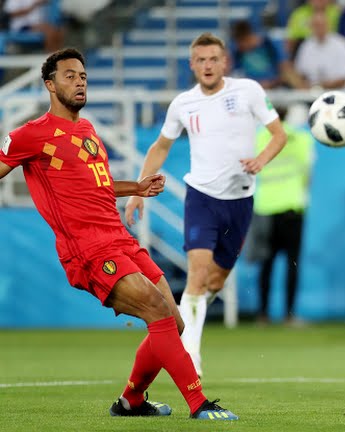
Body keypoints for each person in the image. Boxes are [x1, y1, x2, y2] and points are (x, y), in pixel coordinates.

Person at [0, 48, 236, 420]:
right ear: (49, 85)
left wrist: (136, 188)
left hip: (119, 237)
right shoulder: (31, 135)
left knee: (174, 322)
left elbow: (96, 186)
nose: (79, 82)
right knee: (157, 310)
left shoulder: (86, 130)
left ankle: (131, 401)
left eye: (83, 76)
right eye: (69, 76)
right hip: (87, 248)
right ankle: (199, 403)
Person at [124, 33, 287, 377]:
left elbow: (279, 134)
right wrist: (138, 189)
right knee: (197, 275)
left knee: (215, 281)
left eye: (213, 59)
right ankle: (191, 356)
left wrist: (260, 160)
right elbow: (160, 146)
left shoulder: (249, 91)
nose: (208, 65)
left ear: (225, 62)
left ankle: (187, 320)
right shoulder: (183, 104)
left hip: (240, 201)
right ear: (192, 65)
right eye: (201, 60)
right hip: (201, 198)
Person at [251, 106, 315, 324]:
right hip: (292, 205)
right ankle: (289, 315)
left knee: (265, 263)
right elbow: (308, 171)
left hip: (265, 206)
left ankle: (262, 314)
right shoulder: (302, 137)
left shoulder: (258, 136)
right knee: (292, 263)